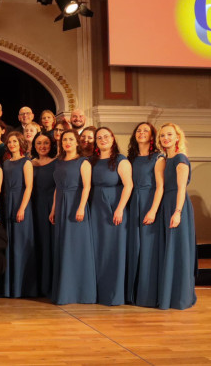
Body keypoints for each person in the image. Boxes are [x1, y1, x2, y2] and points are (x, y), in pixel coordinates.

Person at [49, 129, 96, 305]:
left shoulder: (83, 162)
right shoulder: (59, 162)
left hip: (76, 204)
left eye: (70, 139)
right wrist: (54, 209)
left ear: (77, 142)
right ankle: (64, 291)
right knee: (63, 247)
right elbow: (57, 187)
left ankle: (79, 293)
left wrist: (81, 207)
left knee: (76, 248)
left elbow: (86, 187)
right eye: (64, 140)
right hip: (61, 204)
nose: (67, 142)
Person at [89, 127, 133, 306]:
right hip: (95, 208)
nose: (103, 139)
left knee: (113, 250)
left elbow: (128, 185)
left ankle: (113, 294)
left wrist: (120, 209)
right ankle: (97, 293)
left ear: (113, 138)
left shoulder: (121, 160)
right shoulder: (92, 161)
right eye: (99, 137)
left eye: (106, 136)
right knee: (97, 250)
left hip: (113, 208)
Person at [157, 123, 196, 310]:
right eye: (163, 135)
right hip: (167, 203)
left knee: (178, 249)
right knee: (168, 249)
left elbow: (182, 188)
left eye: (170, 135)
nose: (166, 138)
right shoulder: (165, 159)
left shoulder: (180, 158)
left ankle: (179, 297)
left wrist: (178, 212)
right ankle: (169, 293)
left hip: (177, 205)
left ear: (177, 137)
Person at [127, 122, 164, 307]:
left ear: (152, 136)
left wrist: (153, 210)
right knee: (134, 247)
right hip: (133, 203)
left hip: (149, 202)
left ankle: (147, 295)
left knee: (148, 248)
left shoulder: (157, 158)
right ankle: (132, 293)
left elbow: (160, 187)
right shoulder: (130, 158)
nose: (141, 133)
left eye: (146, 131)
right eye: (139, 130)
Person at [1, 131, 37, 297]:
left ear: (21, 143)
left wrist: (22, 208)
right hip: (7, 202)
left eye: (15, 141)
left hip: (21, 203)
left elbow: (29, 187)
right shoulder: (6, 163)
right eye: (9, 142)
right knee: (9, 244)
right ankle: (9, 287)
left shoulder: (26, 162)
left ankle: (22, 287)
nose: (12, 144)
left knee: (20, 244)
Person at [30, 131, 56, 297]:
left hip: (50, 208)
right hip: (33, 206)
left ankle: (49, 285)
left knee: (49, 244)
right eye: (39, 143)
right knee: (36, 244)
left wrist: (54, 208)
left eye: (46, 143)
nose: (42, 146)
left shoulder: (57, 162)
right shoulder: (29, 163)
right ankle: (36, 285)